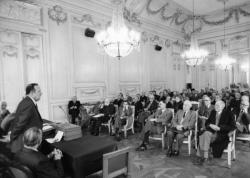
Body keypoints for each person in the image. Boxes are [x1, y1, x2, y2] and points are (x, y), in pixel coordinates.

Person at [194, 100, 235, 165]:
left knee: (204, 135)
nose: (215, 107)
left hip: (221, 134)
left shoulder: (229, 113)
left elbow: (232, 126)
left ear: (223, 106)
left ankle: (201, 156)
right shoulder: (213, 112)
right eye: (215, 105)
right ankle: (205, 157)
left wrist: (220, 128)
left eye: (218, 105)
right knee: (205, 134)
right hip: (211, 132)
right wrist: (210, 125)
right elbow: (207, 122)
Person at [10, 83, 43, 153]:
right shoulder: (28, 104)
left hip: (28, 140)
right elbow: (19, 124)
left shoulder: (28, 101)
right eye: (39, 91)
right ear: (32, 92)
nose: (41, 93)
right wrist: (12, 139)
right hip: (25, 143)